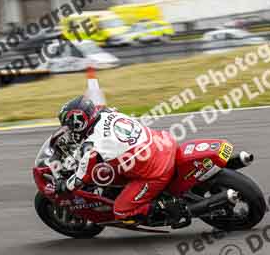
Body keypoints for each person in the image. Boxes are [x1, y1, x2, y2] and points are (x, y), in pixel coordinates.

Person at [56, 95, 187, 224]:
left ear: (79, 122)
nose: (69, 130)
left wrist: (65, 186)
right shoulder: (107, 112)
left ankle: (170, 207)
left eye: (70, 126)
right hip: (163, 142)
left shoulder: (93, 145)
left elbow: (81, 177)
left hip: (157, 170)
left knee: (121, 211)